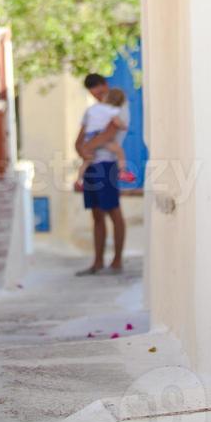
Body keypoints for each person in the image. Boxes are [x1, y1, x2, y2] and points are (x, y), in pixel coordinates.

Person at [74, 73, 130, 275]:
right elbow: (79, 138)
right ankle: (97, 261)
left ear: (105, 86)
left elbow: (109, 133)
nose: (96, 93)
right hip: (91, 166)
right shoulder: (92, 112)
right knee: (96, 213)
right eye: (92, 90)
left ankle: (117, 260)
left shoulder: (118, 109)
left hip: (107, 164)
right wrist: (82, 150)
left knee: (113, 211)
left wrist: (87, 146)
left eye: (98, 88)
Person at [74, 87, 136, 190]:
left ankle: (79, 180)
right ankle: (123, 171)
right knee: (119, 151)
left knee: (87, 160)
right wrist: (123, 126)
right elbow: (116, 122)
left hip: (89, 137)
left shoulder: (94, 108)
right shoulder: (113, 110)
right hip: (100, 139)